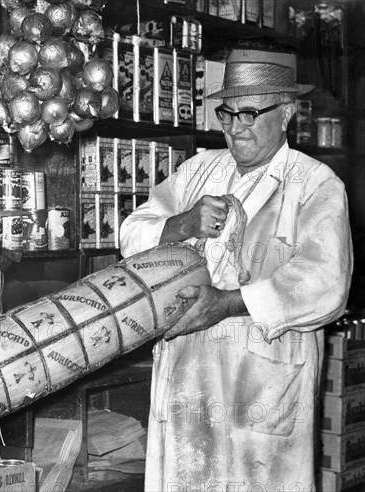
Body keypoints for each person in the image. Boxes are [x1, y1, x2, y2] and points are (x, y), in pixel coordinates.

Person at [119, 48, 353, 491]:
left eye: (250, 113)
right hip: (189, 378)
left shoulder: (316, 185)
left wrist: (228, 304)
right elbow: (131, 232)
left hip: (263, 386)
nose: (235, 127)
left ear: (286, 113)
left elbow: (325, 282)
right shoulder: (197, 171)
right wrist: (181, 223)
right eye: (226, 113)